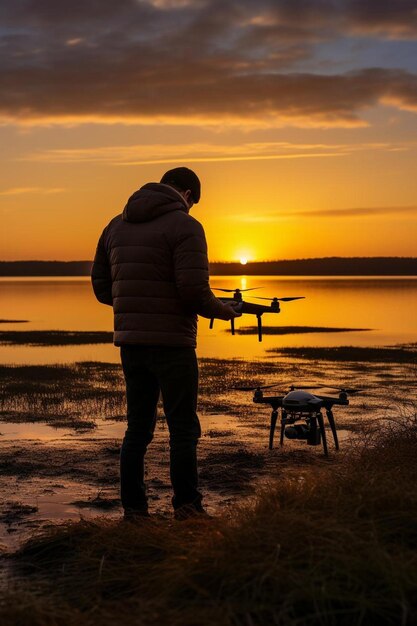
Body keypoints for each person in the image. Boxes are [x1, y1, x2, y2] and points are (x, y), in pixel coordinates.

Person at [91, 167, 240, 520]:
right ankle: (187, 508)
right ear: (188, 194)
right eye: (193, 202)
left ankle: (134, 511)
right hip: (174, 345)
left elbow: (101, 286)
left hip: (131, 345)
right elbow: (193, 293)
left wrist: (138, 306)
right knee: (183, 428)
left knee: (137, 429)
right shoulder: (186, 226)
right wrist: (226, 312)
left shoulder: (115, 225)